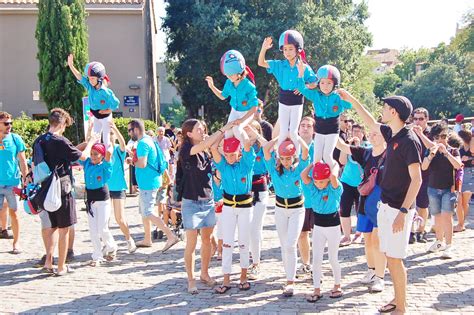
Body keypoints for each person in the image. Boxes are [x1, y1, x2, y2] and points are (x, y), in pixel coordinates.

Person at [339, 91, 422, 314]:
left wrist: (403, 212)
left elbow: (417, 179)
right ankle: (396, 300)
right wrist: (352, 99)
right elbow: (369, 121)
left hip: (398, 210)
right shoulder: (392, 133)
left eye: (385, 108)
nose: (382, 111)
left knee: (395, 260)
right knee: (390, 257)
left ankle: (401, 308)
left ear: (394, 112)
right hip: (385, 205)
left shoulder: (409, 141)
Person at [177, 119, 236, 294]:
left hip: (207, 200)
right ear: (189, 133)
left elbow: (213, 147)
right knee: (191, 243)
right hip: (191, 201)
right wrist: (223, 127)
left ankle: (204, 273)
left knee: (206, 241)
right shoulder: (187, 149)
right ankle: (191, 279)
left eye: (203, 128)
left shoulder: (205, 151)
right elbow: (205, 145)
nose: (202, 130)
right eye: (198, 129)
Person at [33, 108, 88, 275]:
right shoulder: (61, 141)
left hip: (45, 189)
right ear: (62, 123)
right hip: (62, 189)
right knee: (64, 228)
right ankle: (61, 266)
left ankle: (48, 262)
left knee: (51, 227)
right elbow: (82, 157)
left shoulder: (39, 141)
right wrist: (91, 141)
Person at [336, 129, 388, 293]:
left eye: (377, 134)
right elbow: (341, 146)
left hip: (383, 203)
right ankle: (372, 270)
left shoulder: (392, 154)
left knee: (377, 239)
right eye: (372, 134)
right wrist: (328, 123)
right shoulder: (365, 153)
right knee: (368, 239)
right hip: (366, 202)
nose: (372, 136)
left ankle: (380, 277)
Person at [263, 137, 310, 297]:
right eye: (282, 158)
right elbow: (265, 150)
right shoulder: (275, 169)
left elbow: (305, 151)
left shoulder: (298, 168)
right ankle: (288, 275)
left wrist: (296, 137)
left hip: (297, 209)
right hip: (280, 209)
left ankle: (291, 282)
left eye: (288, 158)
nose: (285, 161)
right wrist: (280, 137)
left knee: (290, 244)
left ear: (293, 157)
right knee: (285, 245)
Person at [258, 30, 316, 154]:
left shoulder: (304, 66)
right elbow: (261, 63)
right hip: (284, 99)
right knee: (283, 131)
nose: (287, 52)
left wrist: (304, 86)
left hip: (297, 101)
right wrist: (264, 49)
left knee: (294, 131)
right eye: (285, 49)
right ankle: (280, 157)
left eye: (290, 49)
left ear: (297, 49)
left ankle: (298, 157)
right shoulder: (279, 65)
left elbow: (315, 83)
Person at [211, 132, 255, 294]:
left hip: (245, 207)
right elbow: (213, 147)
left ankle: (243, 277)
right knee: (227, 243)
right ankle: (226, 279)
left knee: (244, 242)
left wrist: (240, 130)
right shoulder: (222, 165)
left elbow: (248, 146)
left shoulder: (246, 164)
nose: (229, 158)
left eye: (233, 154)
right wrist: (223, 132)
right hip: (228, 207)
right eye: (227, 154)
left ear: (239, 153)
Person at [127, 119, 179, 251]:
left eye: (129, 130)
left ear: (136, 130)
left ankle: (170, 235)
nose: (128, 133)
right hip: (150, 181)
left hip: (148, 183)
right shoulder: (149, 140)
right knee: (144, 212)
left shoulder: (143, 143)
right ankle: (147, 239)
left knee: (148, 212)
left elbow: (142, 164)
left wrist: (131, 161)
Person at [296, 62, 352, 168]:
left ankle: (335, 173)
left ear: (335, 84)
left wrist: (345, 96)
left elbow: (349, 105)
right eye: (322, 83)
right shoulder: (316, 95)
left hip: (332, 129)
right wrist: (301, 74)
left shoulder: (337, 96)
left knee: (327, 156)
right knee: (316, 158)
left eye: (329, 83)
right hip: (320, 128)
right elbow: (301, 88)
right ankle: (319, 179)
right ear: (318, 84)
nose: (325, 86)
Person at [301, 162, 344, 302]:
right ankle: (316, 289)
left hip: (333, 227)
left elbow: (333, 176)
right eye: (316, 181)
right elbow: (303, 175)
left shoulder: (334, 189)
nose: (319, 184)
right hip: (318, 227)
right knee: (317, 259)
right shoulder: (313, 189)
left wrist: (332, 166)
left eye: (322, 181)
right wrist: (312, 165)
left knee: (333, 258)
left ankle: (337, 285)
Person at [423, 124, 463, 259]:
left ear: (448, 136)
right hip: (433, 187)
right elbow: (423, 167)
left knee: (447, 216)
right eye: (438, 137)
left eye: (444, 136)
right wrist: (431, 155)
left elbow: (458, 165)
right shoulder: (431, 150)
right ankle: (439, 241)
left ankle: (449, 245)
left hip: (449, 188)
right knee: (437, 217)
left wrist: (445, 152)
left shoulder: (453, 151)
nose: (441, 140)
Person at [78, 140, 118, 266]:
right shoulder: (87, 163)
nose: (93, 156)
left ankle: (111, 246)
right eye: (92, 153)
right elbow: (76, 151)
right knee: (93, 230)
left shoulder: (105, 166)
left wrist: (108, 142)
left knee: (102, 228)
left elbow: (109, 154)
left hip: (103, 200)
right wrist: (88, 142)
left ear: (102, 155)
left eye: (96, 154)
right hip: (90, 200)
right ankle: (97, 255)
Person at [205, 50, 258, 142]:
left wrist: (242, 120)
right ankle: (231, 153)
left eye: (231, 75)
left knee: (237, 130)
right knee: (228, 133)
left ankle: (246, 151)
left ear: (239, 72)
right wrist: (212, 87)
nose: (229, 77)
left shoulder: (249, 86)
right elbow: (222, 96)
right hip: (234, 111)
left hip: (247, 112)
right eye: (227, 75)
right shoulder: (229, 83)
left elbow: (254, 108)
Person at [67, 54, 119, 147]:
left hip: (105, 116)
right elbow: (80, 77)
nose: (90, 81)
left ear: (99, 79)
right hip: (96, 115)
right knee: (95, 139)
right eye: (89, 78)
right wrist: (71, 66)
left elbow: (116, 103)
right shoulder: (90, 87)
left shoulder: (106, 91)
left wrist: (108, 110)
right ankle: (97, 158)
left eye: (92, 78)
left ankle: (108, 158)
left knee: (106, 140)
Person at [244, 122, 270, 280]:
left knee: (255, 228)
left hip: (260, 189)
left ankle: (256, 264)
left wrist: (256, 134)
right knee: (249, 228)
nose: (249, 132)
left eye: (252, 129)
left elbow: (268, 145)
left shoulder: (263, 148)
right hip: (244, 189)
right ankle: (252, 255)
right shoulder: (242, 147)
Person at [0, 111, 28, 254]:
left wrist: (26, 178)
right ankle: (3, 229)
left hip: (12, 182)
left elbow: (22, 160)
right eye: (6, 123)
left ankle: (16, 243)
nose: (9, 126)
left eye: (10, 123)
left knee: (14, 213)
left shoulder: (16, 139)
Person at [107, 122, 136, 253]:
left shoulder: (119, 149)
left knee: (120, 218)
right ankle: (108, 244)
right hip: (105, 188)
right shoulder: (103, 150)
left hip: (118, 187)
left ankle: (129, 239)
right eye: (108, 135)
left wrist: (115, 128)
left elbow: (123, 144)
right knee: (104, 220)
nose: (110, 137)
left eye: (111, 135)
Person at [410, 107, 434, 243]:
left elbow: (433, 146)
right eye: (415, 119)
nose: (417, 122)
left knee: (423, 205)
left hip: (427, 173)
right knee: (410, 204)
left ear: (427, 119)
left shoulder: (430, 132)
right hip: (411, 171)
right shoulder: (409, 132)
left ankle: (421, 231)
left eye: (421, 119)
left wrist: (420, 135)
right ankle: (411, 231)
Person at [296, 116, 315, 278]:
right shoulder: (291, 146)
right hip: (299, 198)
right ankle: (306, 264)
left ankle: (319, 265)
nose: (305, 128)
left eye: (309, 125)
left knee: (319, 234)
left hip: (316, 197)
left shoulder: (320, 147)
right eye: (302, 125)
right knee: (302, 234)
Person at [338, 127, 364, 246]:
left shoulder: (367, 146)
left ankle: (359, 234)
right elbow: (342, 161)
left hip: (361, 183)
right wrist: (347, 145)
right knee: (344, 209)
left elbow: (364, 162)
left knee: (360, 210)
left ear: (363, 134)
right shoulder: (347, 147)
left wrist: (358, 146)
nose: (356, 134)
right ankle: (347, 235)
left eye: (358, 131)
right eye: (354, 132)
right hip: (346, 181)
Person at [455, 130, 472, 232]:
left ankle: (462, 223)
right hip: (459, 172)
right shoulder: (458, 147)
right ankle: (460, 223)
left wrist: (468, 158)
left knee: (465, 202)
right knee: (459, 200)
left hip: (470, 173)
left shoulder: (471, 146)